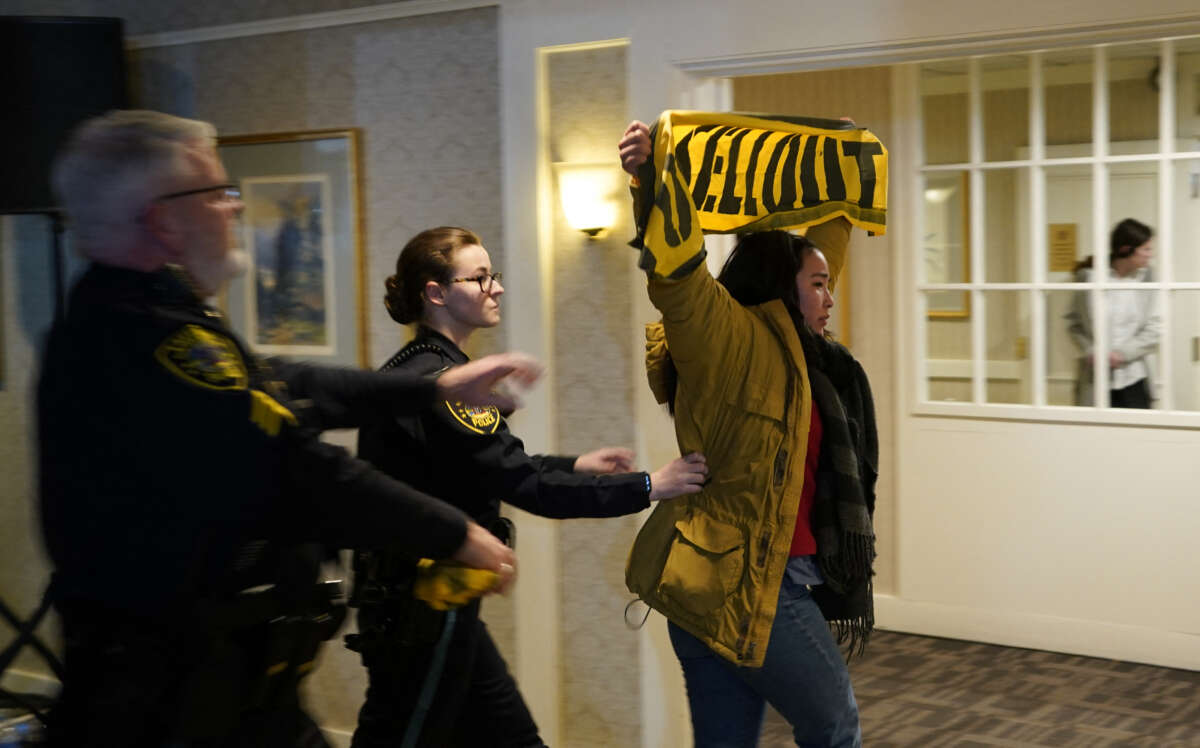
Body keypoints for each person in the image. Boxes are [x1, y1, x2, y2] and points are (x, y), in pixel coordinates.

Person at [38, 109, 530, 747]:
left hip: (233, 683)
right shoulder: (141, 337)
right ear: (162, 219)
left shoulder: (157, 312)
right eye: (216, 194)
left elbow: (284, 382)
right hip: (169, 701)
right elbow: (292, 463)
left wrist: (429, 387)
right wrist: (452, 531)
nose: (235, 207)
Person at [348, 226, 709, 748]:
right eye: (479, 277)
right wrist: (651, 484)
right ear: (436, 293)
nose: (495, 287)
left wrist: (577, 463)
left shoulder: (423, 369)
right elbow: (528, 487)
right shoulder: (447, 384)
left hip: (432, 604)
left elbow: (489, 466)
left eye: (493, 275)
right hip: (418, 613)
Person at [619, 120, 879, 747]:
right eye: (817, 286)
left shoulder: (806, 356)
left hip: (733, 585)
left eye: (827, 283)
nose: (829, 296)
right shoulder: (727, 341)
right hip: (752, 588)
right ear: (781, 290)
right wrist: (654, 182)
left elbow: (827, 249)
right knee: (835, 724)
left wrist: (843, 165)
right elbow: (677, 277)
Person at [1066, 218, 1161, 408]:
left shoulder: (1148, 280)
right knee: (1094, 435)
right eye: (1146, 249)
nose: (1150, 255)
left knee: (1137, 435)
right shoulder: (1089, 278)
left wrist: (1122, 354)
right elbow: (1074, 324)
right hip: (1095, 379)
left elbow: (1155, 327)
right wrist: (1089, 350)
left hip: (1134, 378)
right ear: (1126, 249)